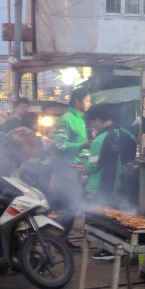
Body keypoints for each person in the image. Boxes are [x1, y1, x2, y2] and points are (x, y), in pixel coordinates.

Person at [51, 89, 91, 237]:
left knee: (73, 206)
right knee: (71, 206)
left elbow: (81, 147)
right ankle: (55, 237)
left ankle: (61, 239)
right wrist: (81, 146)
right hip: (67, 169)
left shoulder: (81, 119)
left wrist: (87, 162)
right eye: (87, 100)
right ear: (77, 101)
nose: (89, 103)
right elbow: (58, 145)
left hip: (77, 168)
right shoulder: (66, 119)